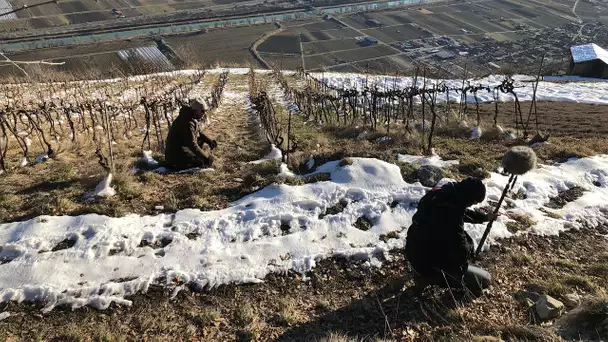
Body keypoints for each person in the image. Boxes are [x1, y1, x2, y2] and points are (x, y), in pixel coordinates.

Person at [405, 177, 496, 297]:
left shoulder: (441, 195)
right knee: (484, 279)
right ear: (469, 198)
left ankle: (420, 274)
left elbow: (459, 212)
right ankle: (429, 278)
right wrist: (469, 255)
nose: (472, 205)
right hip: (427, 263)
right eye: (474, 202)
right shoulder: (450, 213)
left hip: (414, 251)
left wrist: (484, 218)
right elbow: (460, 251)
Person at [165, 99, 217, 171]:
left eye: (205, 111)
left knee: (200, 142)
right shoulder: (187, 122)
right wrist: (205, 159)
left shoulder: (190, 117)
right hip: (175, 156)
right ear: (195, 110)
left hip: (181, 149)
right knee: (201, 163)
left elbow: (198, 132)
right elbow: (192, 144)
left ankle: (194, 157)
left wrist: (209, 141)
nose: (204, 113)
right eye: (202, 111)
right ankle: (177, 165)